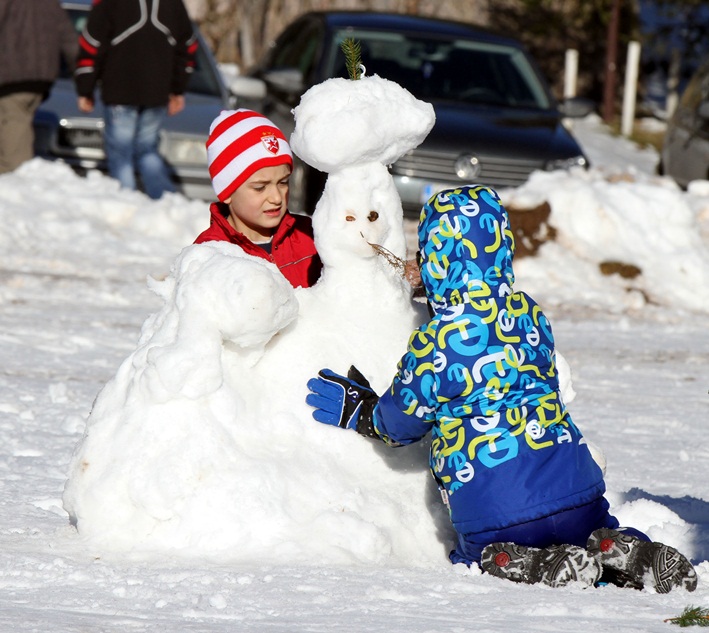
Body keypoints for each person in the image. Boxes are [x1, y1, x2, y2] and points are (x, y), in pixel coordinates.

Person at [306, 184, 697, 593]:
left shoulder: (437, 341)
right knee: (595, 530)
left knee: (483, 556)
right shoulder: (529, 315)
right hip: (577, 492)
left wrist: (364, 412)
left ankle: (524, 563)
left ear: (435, 260)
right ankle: (619, 547)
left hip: (495, 507)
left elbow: (401, 422)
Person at [74, 0, 197, 199]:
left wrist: (85, 89)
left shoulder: (109, 4)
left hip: (119, 93)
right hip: (156, 93)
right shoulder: (173, 4)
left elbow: (91, 45)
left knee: (121, 154)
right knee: (147, 150)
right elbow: (188, 48)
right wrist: (177, 90)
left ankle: (127, 202)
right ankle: (164, 202)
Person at [194, 109, 322, 289]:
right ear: (227, 192)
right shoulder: (210, 254)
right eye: (260, 187)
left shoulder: (310, 235)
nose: (276, 197)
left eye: (283, 182)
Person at [0, 0, 77, 175]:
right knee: (11, 136)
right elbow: (70, 40)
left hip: (11, 78)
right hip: (40, 79)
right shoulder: (50, 4)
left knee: (14, 146)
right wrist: (82, 80)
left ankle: (18, 190)